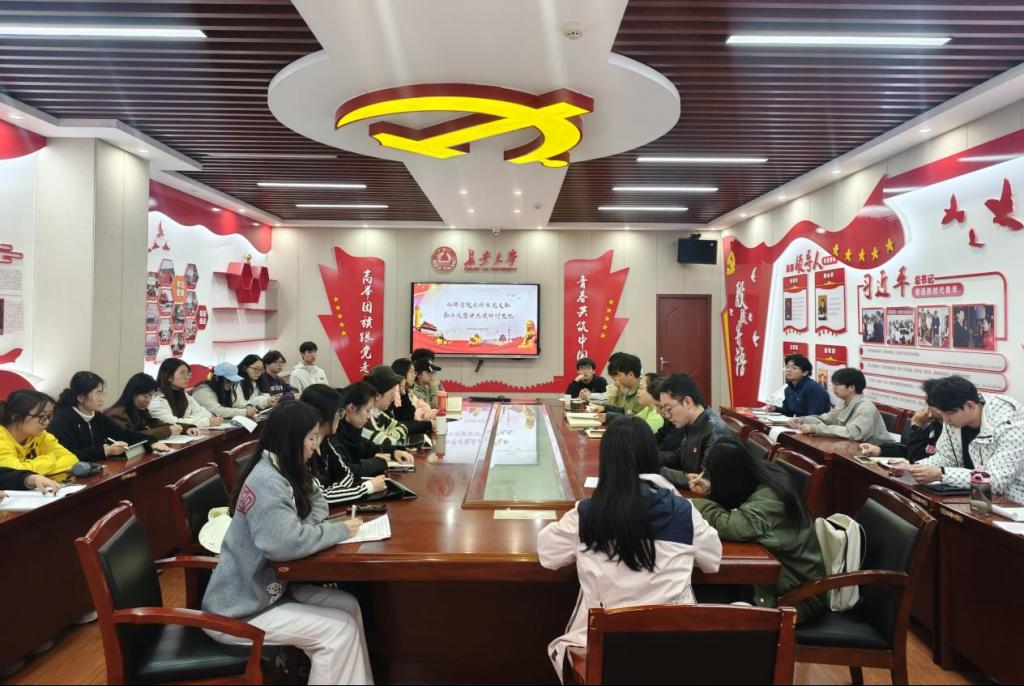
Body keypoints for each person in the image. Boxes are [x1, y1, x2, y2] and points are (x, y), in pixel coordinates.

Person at [537, 417, 722, 681]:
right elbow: (713, 561)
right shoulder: (683, 512)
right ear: (652, 455)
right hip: (673, 654)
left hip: (605, 654)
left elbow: (548, 554)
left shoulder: (587, 514)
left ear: (606, 460)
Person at [201, 400, 373, 685]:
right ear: (292, 439)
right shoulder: (267, 481)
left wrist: (303, 528)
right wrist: (340, 531)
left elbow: (318, 504)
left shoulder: (285, 467)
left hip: (269, 591)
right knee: (338, 632)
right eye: (311, 438)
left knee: (348, 606)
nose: (316, 446)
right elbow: (284, 544)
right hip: (239, 610)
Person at [690, 436, 825, 622]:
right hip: (776, 580)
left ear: (730, 476)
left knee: (704, 607)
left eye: (710, 475)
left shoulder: (771, 496)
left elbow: (732, 526)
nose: (706, 477)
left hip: (797, 598)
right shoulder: (761, 474)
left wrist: (694, 503)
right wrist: (710, 491)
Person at [907, 376, 1024, 501]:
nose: (946, 420)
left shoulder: (1011, 425)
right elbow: (947, 457)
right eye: (942, 414)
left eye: (949, 414)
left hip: (1012, 503)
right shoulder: (955, 417)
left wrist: (941, 474)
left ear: (970, 406)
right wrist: (915, 467)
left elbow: (995, 481)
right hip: (972, 497)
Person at [49, 371, 170, 459]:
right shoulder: (61, 420)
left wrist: (150, 441)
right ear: (80, 397)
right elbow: (67, 455)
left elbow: (124, 434)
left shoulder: (97, 417)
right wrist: (105, 451)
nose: (102, 398)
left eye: (102, 393)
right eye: (98, 393)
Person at [301, 385, 386, 504]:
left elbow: (347, 475)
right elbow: (321, 497)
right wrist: (366, 488)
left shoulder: (325, 441)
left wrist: (335, 491)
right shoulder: (303, 449)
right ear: (323, 415)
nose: (340, 417)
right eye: (338, 412)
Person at [657, 373, 730, 488]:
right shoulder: (693, 423)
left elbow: (704, 481)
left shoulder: (714, 431)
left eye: (668, 409)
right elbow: (679, 456)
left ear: (687, 402)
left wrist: (661, 471)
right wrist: (651, 457)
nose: (667, 415)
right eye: (663, 410)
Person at [791, 368, 890, 445]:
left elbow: (853, 433)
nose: (833, 388)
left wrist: (815, 429)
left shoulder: (865, 408)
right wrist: (803, 420)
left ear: (851, 387)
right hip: (852, 448)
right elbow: (827, 419)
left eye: (837, 385)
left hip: (878, 454)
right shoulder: (844, 402)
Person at [0, 389, 79, 476]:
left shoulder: (40, 435)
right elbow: (14, 474)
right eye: (42, 416)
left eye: (49, 416)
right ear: (15, 416)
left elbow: (71, 460)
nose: (47, 422)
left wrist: (35, 468)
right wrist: (49, 459)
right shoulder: (2, 439)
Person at [107, 373, 198, 441]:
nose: (148, 400)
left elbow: (155, 424)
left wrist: (185, 428)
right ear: (132, 394)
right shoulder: (117, 414)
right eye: (145, 396)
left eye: (151, 395)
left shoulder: (140, 410)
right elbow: (132, 437)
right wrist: (167, 431)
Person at [330, 382, 389, 477]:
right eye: (368, 410)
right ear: (351, 408)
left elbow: (368, 448)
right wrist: (378, 462)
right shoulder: (333, 433)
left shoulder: (353, 428)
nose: (369, 416)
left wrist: (394, 451)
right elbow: (346, 470)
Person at [149, 358, 224, 428]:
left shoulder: (184, 395)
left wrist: (186, 420)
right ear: (169, 377)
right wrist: (205, 422)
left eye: (188, 373)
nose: (187, 377)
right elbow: (173, 424)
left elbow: (205, 413)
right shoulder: (156, 400)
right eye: (182, 373)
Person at [361, 365, 416, 459]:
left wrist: (389, 435)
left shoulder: (379, 413)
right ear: (377, 396)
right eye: (391, 393)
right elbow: (388, 444)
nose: (393, 397)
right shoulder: (365, 418)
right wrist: (391, 437)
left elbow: (403, 428)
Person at [858, 403, 943, 463]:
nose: (925, 408)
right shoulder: (935, 426)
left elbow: (914, 458)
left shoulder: (943, 430)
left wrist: (916, 426)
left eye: (928, 403)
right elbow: (906, 449)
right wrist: (880, 450)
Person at [192, 362, 267, 419]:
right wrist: (244, 412)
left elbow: (236, 403)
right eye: (228, 380)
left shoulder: (224, 388)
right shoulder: (203, 391)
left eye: (233, 381)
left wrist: (248, 407)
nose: (231, 384)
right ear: (217, 378)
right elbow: (217, 411)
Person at [388, 358, 434, 436]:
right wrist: (429, 425)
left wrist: (404, 394)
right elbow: (400, 424)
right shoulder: (393, 392)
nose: (414, 375)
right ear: (401, 372)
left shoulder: (403, 391)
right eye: (411, 372)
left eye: (414, 372)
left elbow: (409, 416)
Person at [597, 353, 643, 419]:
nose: (617, 379)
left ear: (630, 374)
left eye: (619, 375)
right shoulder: (630, 389)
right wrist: (605, 408)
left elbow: (634, 420)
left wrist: (609, 417)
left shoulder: (642, 392)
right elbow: (624, 411)